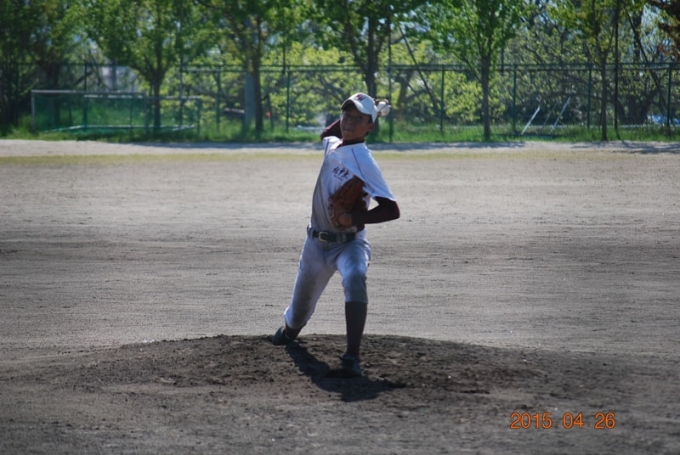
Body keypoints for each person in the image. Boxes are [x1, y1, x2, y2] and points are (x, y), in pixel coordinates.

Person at [272, 93, 400, 377]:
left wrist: (353, 218)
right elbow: (327, 133)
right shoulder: (333, 144)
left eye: (358, 119)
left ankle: (352, 356)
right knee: (295, 319)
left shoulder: (365, 161)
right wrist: (372, 112)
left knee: (355, 276)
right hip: (315, 245)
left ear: (370, 127)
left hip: (350, 244)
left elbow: (392, 210)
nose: (349, 122)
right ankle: (290, 331)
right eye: (346, 116)